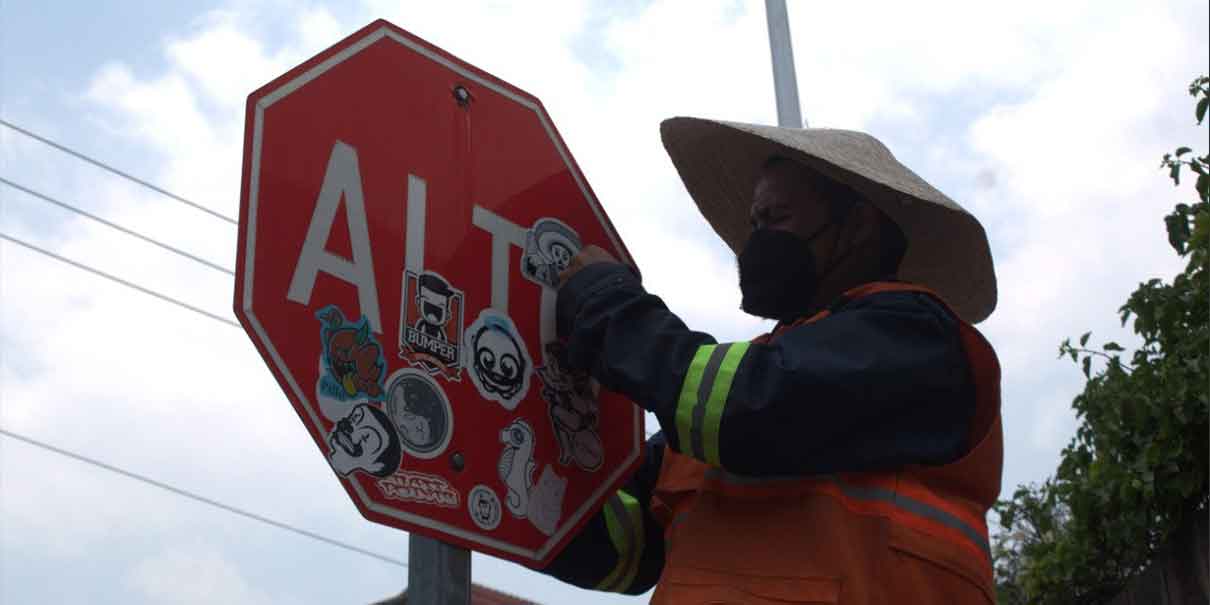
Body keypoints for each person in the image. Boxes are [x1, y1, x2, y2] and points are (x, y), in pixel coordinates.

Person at [538, 117, 1004, 604]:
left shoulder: (917, 338)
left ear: (859, 226)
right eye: (755, 224)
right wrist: (519, 475)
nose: (757, 242)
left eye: (776, 221)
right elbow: (625, 550)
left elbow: (752, 405)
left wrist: (606, 304)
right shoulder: (712, 408)